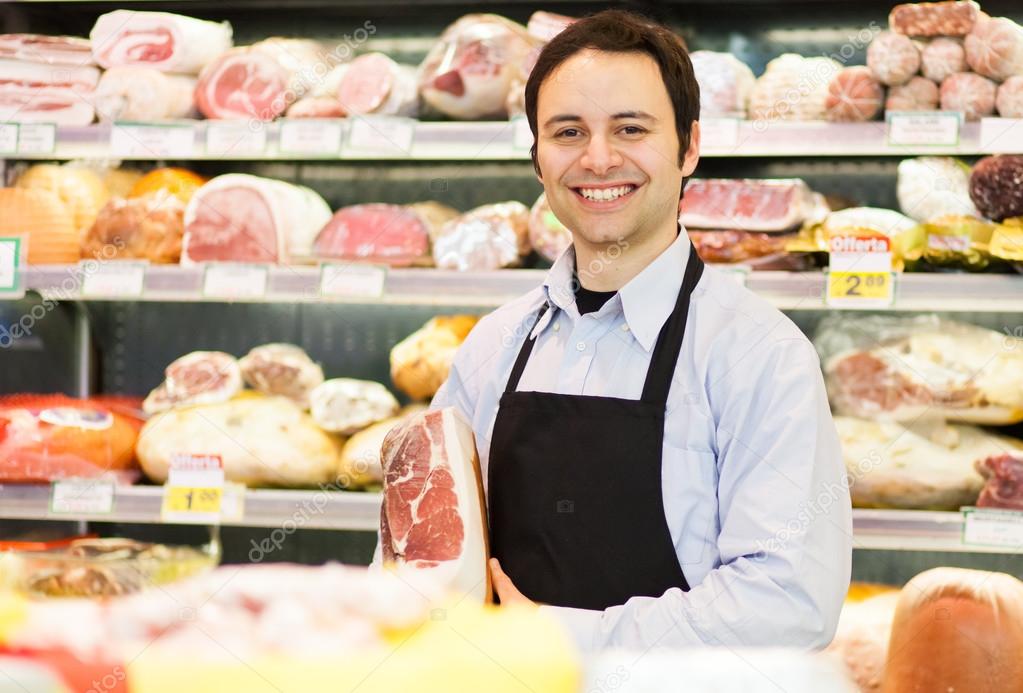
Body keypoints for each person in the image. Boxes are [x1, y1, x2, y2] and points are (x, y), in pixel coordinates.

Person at [428, 9, 852, 651]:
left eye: (631, 128)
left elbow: (788, 603)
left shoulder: (759, 356)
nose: (599, 159)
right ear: (537, 159)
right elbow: (423, 551)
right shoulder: (493, 346)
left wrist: (558, 638)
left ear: (688, 148)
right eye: (568, 131)